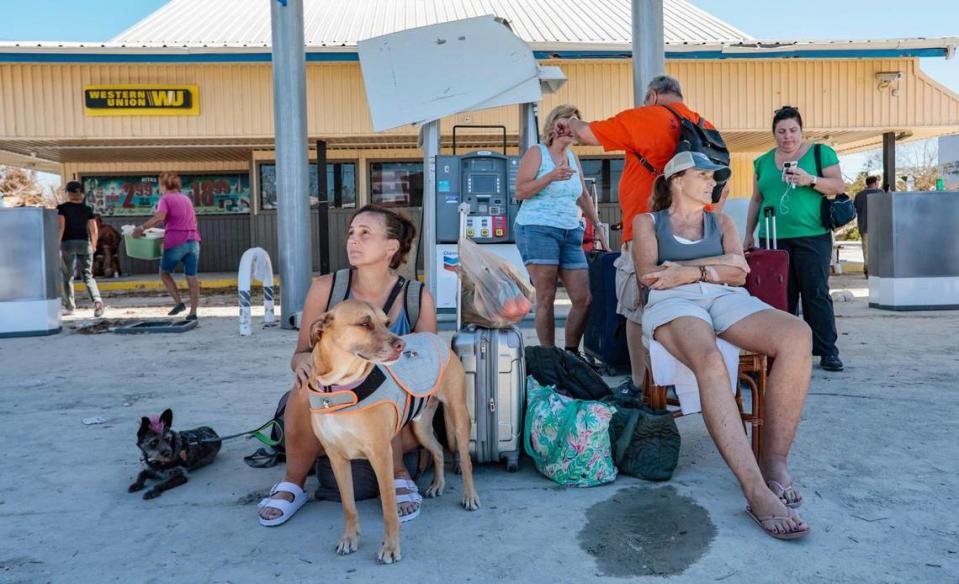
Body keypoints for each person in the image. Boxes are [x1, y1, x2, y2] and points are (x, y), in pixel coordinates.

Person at [635, 151, 812, 539]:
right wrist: (717, 266)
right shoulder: (648, 222)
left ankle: (774, 464)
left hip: (721, 295)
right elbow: (650, 275)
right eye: (703, 175)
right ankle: (755, 490)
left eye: (713, 176)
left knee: (798, 335)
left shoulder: (721, 220)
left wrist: (690, 270)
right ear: (677, 180)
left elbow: (741, 269)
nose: (712, 182)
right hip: (674, 302)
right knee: (709, 360)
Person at [258, 205, 439, 527]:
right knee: (306, 384)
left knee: (383, 390)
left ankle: (398, 473)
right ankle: (292, 483)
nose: (353, 240)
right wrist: (302, 364)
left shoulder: (416, 296)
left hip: (394, 419)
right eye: (351, 233)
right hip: (335, 406)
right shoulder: (327, 287)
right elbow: (301, 351)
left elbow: (429, 362)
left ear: (391, 247)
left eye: (365, 233)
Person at [554, 75, 727, 395]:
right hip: (694, 233)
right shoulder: (705, 125)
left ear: (651, 94)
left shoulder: (644, 117)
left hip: (645, 231)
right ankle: (683, 380)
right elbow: (722, 184)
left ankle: (640, 384)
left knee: (637, 308)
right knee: (685, 305)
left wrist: (569, 120)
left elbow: (587, 133)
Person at [744, 106, 846, 372]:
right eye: (781, 131)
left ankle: (826, 350)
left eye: (792, 130)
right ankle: (781, 349)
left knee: (815, 292)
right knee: (779, 296)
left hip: (812, 235)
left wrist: (809, 179)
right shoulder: (763, 162)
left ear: (801, 130)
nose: (787, 136)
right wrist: (747, 233)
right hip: (773, 238)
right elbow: (757, 199)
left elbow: (838, 186)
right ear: (773, 133)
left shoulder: (819, 153)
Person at [514, 104, 602, 351]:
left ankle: (571, 353)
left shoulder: (573, 157)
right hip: (537, 229)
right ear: (554, 125)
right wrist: (550, 176)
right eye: (566, 121)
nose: (570, 127)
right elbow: (521, 191)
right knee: (546, 296)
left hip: (570, 231)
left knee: (583, 299)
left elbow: (582, 194)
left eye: (575, 122)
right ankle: (550, 356)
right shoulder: (537, 153)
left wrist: (598, 226)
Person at [132, 173, 201, 321]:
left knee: (164, 273)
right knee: (192, 277)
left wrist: (141, 228)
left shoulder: (165, 199)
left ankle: (179, 303)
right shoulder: (186, 199)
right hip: (193, 241)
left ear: (163, 186)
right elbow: (195, 221)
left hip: (176, 241)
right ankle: (193, 312)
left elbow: (160, 217)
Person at [58, 181, 104, 317]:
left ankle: (70, 307)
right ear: (81, 194)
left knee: (67, 276)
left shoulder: (62, 208)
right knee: (88, 276)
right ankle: (97, 302)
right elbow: (94, 230)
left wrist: (56, 245)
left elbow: (61, 227)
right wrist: (94, 244)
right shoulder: (87, 209)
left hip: (68, 243)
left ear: (69, 193)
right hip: (85, 243)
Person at [853, 175, 882, 277]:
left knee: (867, 251)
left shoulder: (859, 195)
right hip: (879, 227)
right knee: (879, 249)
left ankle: (868, 271)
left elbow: (854, 209)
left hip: (864, 226)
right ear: (875, 183)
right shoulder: (881, 193)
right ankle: (878, 270)